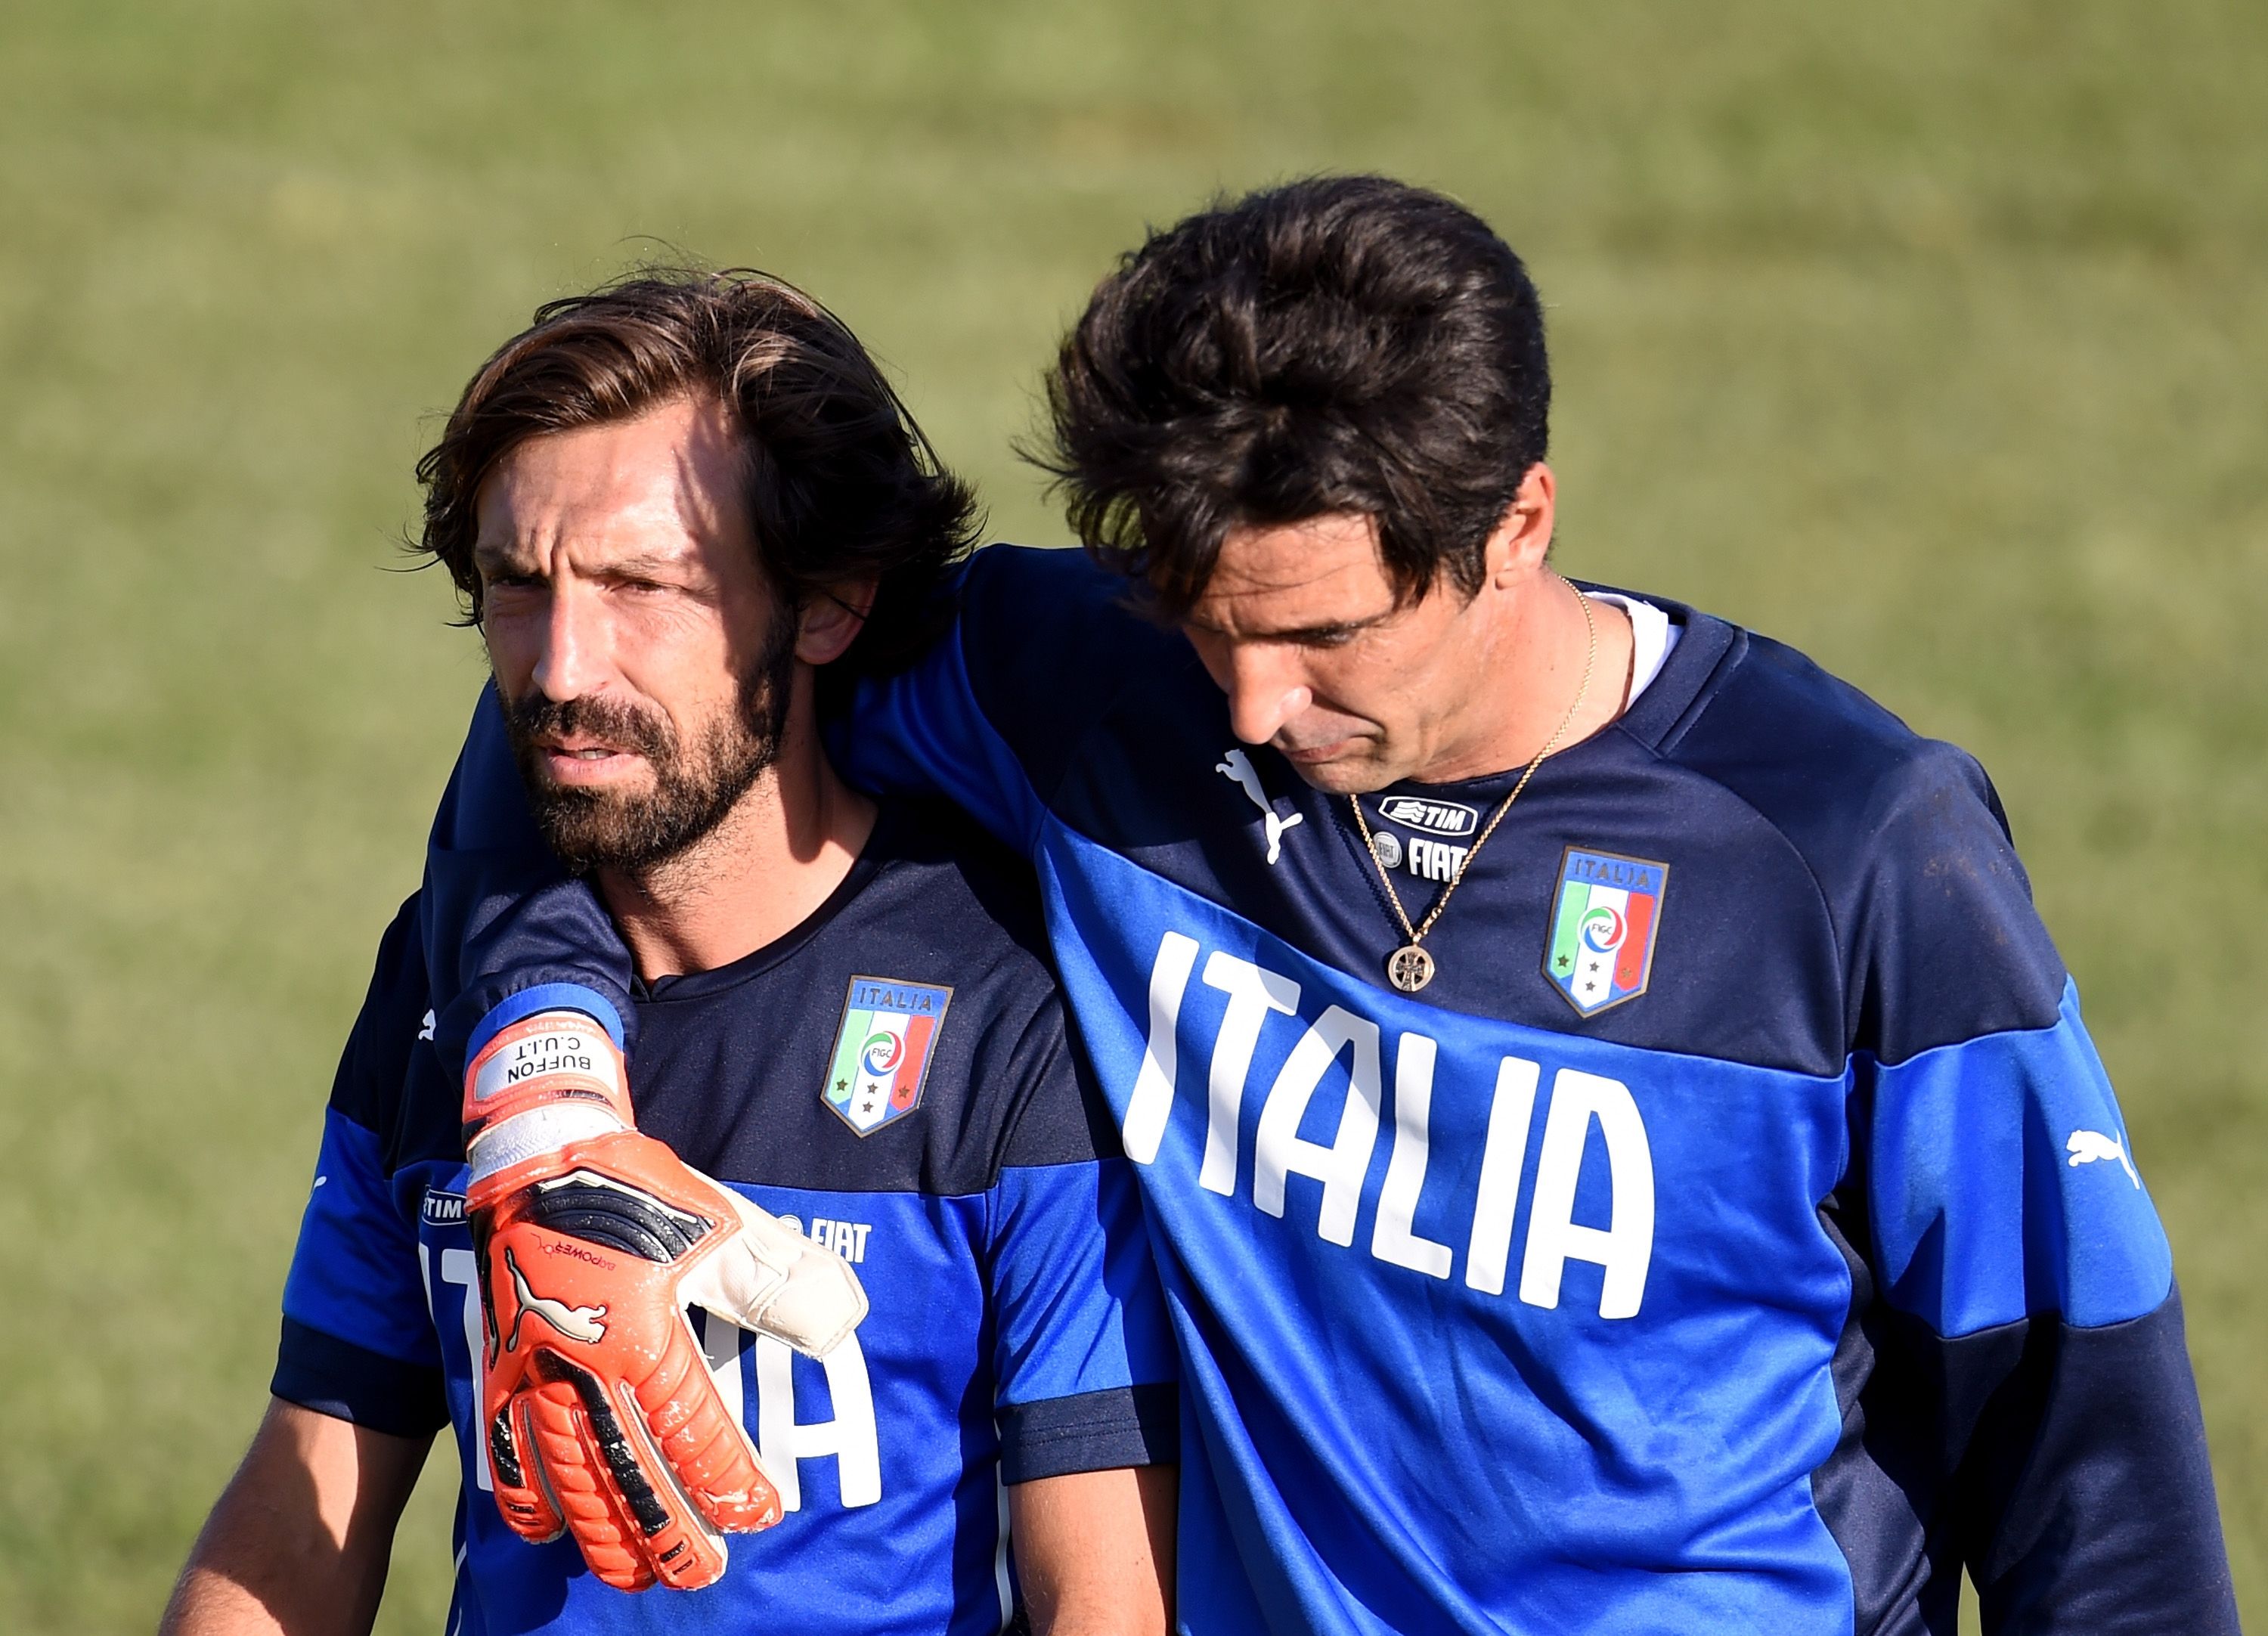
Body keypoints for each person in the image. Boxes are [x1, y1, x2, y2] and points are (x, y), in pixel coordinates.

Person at [407, 182, 2237, 1634]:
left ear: (1517, 521)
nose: (1256, 711)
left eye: (1322, 636)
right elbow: (605, 726)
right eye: (1209, 626)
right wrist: (553, 1079)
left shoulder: (1851, 841)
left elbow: (2087, 1432)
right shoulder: (1091, 688)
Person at [161, 272, 1179, 1636]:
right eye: (520, 586)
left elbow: (1105, 1597)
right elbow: (305, 1509)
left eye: (644, 586)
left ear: (824, 607)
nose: (565, 666)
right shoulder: (447, 980)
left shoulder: (1011, 1002)